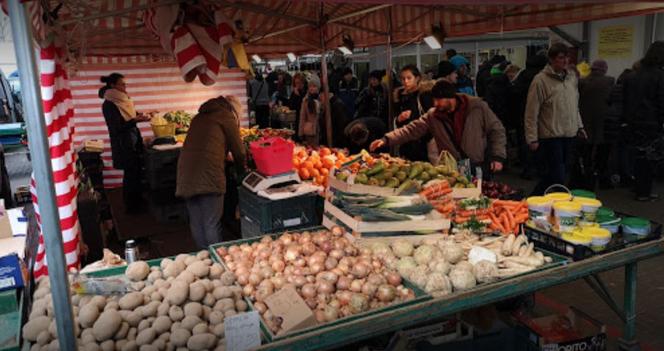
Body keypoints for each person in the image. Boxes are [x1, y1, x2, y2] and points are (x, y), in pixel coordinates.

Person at [371, 80, 506, 174]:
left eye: (438, 100)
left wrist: (497, 157)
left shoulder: (477, 107)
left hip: (478, 165)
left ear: (450, 98)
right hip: (452, 169)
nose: (435, 104)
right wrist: (386, 139)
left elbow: (496, 130)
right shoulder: (433, 116)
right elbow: (411, 130)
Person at [176, 96, 246, 249]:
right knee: (211, 222)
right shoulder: (226, 116)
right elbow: (239, 152)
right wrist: (242, 174)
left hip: (186, 173)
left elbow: (206, 143)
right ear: (234, 110)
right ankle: (216, 262)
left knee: (196, 221)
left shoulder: (199, 117)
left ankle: (204, 257)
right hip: (209, 173)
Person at [524, 43, 586, 196]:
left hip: (569, 134)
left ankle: (556, 205)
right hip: (551, 135)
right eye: (561, 57)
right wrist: (531, 138)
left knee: (563, 174)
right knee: (556, 176)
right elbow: (531, 111)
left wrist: (580, 126)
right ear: (551, 59)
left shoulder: (571, 78)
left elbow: (574, 105)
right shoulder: (540, 80)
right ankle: (533, 200)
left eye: (567, 57)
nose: (565, 61)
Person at [99, 73, 150, 213]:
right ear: (113, 85)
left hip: (133, 141)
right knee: (130, 174)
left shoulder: (124, 101)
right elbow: (117, 127)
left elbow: (131, 117)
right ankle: (131, 207)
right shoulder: (109, 104)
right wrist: (135, 120)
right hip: (124, 144)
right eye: (122, 84)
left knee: (137, 172)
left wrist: (142, 116)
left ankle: (138, 201)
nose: (125, 87)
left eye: (124, 84)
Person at [623, 41, 664, 201]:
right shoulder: (660, 76)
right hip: (651, 122)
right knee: (650, 158)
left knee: (638, 156)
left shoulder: (632, 75)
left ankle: (638, 187)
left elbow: (625, 100)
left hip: (633, 122)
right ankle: (643, 192)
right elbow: (661, 102)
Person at [576, 60, 615, 190]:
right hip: (602, 124)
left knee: (585, 155)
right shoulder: (609, 82)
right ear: (604, 70)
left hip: (584, 123)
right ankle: (603, 181)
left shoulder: (581, 82)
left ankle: (585, 181)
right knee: (602, 156)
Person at [509, 53, 547, 179]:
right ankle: (538, 169)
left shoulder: (522, 77)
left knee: (525, 144)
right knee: (538, 144)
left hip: (521, 116)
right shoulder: (542, 79)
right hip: (540, 117)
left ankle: (528, 169)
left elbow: (514, 97)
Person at [393, 64, 433, 161]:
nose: (405, 81)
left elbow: (430, 117)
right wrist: (399, 119)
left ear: (417, 78)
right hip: (405, 142)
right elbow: (396, 120)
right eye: (403, 79)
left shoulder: (424, 94)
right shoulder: (399, 96)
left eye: (409, 78)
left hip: (422, 142)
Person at [484, 61, 512, 127]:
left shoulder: (490, 85)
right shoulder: (507, 84)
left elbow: (490, 103)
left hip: (494, 117)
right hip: (506, 117)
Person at [299, 75, 322, 146]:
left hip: (321, 129)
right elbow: (302, 117)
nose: (311, 88)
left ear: (318, 88)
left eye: (314, 86)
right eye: (310, 86)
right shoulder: (305, 100)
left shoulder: (322, 99)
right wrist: (301, 133)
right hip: (310, 130)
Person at [288, 73, 307, 137]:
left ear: (303, 82)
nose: (298, 85)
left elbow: (303, 104)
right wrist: (295, 95)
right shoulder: (295, 91)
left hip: (306, 119)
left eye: (299, 83)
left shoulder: (307, 91)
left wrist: (297, 96)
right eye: (296, 83)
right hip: (298, 118)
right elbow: (291, 106)